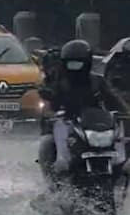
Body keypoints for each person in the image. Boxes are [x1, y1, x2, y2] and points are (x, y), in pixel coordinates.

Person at [38, 39, 104, 175]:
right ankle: (59, 166)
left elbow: (115, 99)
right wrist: (50, 104)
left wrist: (125, 111)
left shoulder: (97, 81)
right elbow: (49, 103)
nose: (74, 68)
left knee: (119, 135)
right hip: (68, 121)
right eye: (71, 64)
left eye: (78, 63)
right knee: (47, 143)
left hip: (94, 125)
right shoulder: (59, 82)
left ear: (87, 63)